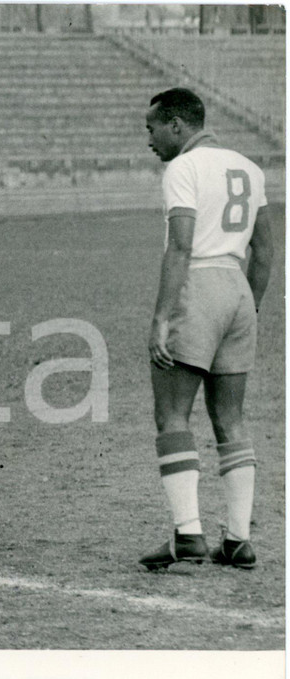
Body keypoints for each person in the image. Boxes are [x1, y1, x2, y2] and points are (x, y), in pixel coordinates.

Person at [139, 88, 273, 571]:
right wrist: (247, 310)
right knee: (230, 421)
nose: (149, 140)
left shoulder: (182, 169)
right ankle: (238, 540)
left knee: (172, 415)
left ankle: (188, 536)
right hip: (237, 290)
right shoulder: (249, 167)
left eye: (152, 128)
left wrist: (161, 318)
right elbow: (266, 250)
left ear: (177, 125)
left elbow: (180, 247)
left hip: (198, 286)